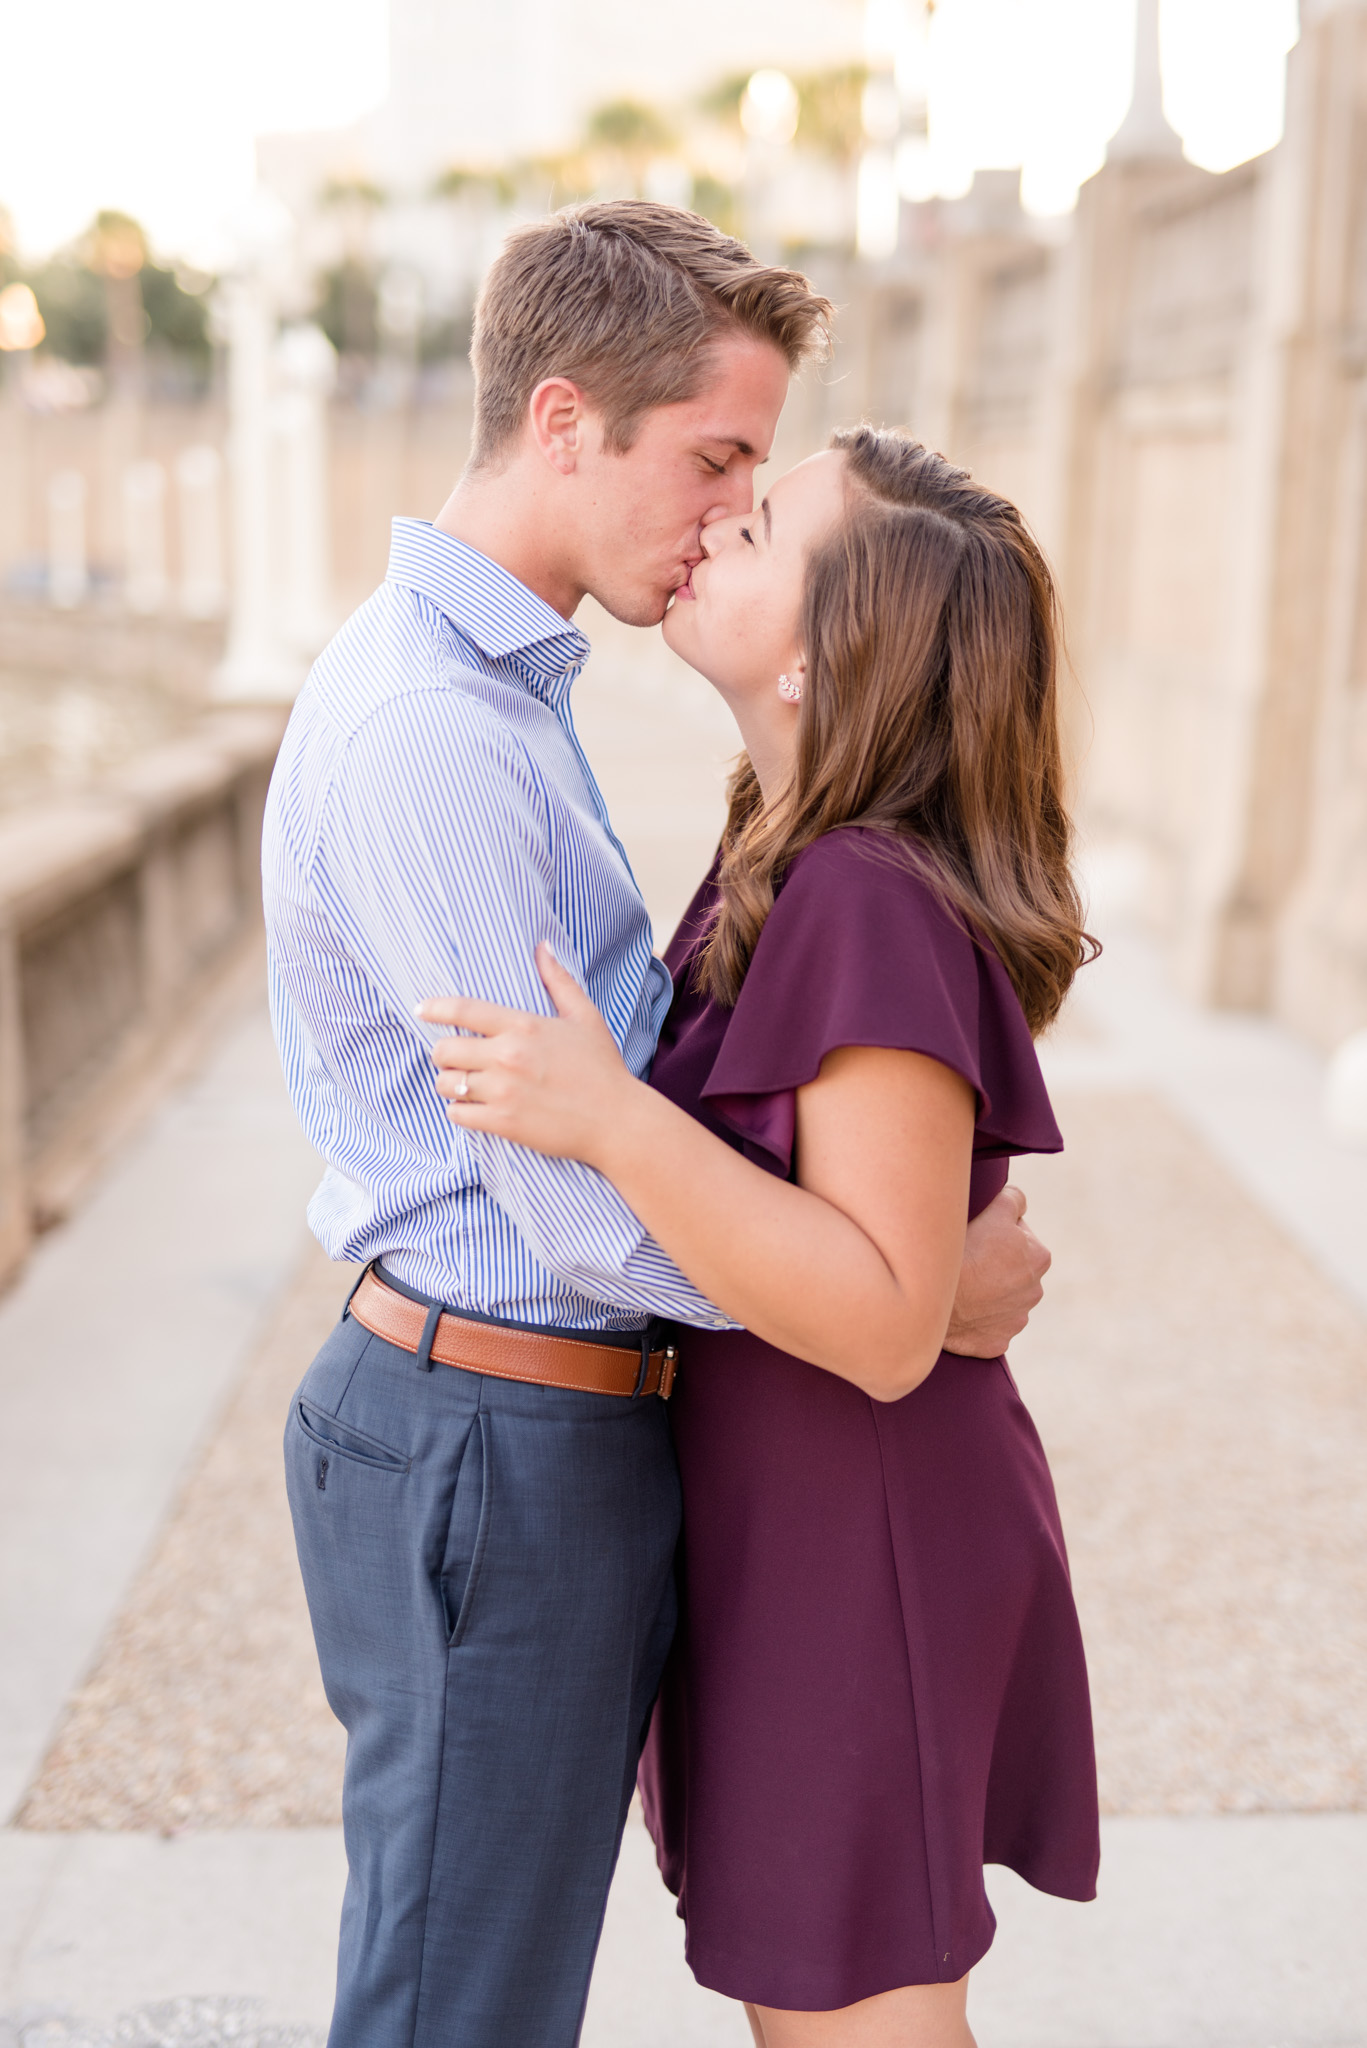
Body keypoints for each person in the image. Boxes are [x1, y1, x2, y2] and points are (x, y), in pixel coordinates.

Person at [264, 200, 1052, 2048]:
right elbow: (572, 1205)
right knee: (464, 2006)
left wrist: (868, 1261)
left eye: (757, 489)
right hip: (495, 1426)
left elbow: (637, 1131)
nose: (720, 510)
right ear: (562, 422)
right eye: (716, 464)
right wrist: (908, 1291)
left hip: (574, 1440)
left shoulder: (534, 711)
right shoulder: (441, 734)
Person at [419, 426, 1100, 2047]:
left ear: (827, 654)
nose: (719, 520)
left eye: (767, 517)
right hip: (797, 1527)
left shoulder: (861, 890)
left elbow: (873, 1313)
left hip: (852, 1549)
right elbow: (892, 1258)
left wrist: (606, 1112)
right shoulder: (785, 852)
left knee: (851, 2015)